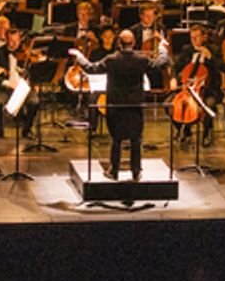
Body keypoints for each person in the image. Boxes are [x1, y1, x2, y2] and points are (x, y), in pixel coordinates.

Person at [70, 29, 169, 181]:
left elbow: (91, 68)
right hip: (135, 107)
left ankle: (114, 170)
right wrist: (162, 48)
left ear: (118, 44)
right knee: (136, 139)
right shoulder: (141, 60)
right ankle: (136, 171)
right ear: (134, 43)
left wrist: (80, 57)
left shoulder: (111, 59)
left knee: (116, 139)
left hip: (115, 106)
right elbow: (160, 63)